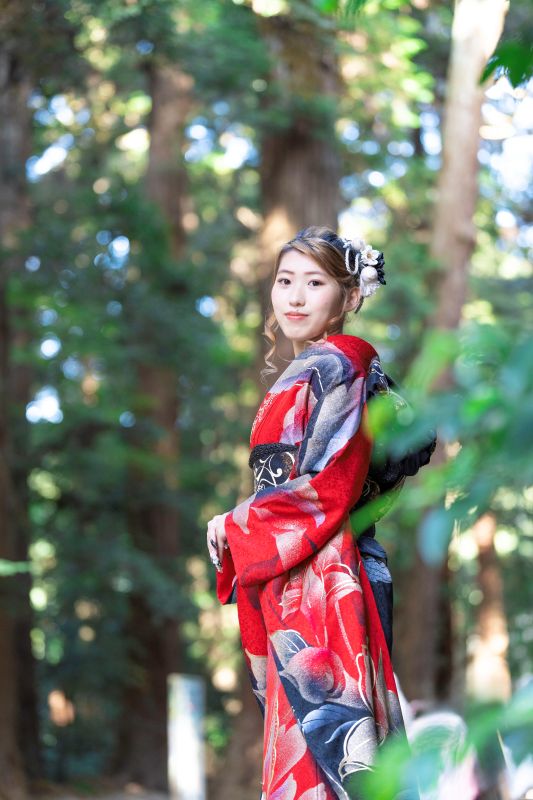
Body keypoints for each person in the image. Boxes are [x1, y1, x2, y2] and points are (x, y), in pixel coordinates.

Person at [206, 226, 435, 800]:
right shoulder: (331, 368)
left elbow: (330, 486)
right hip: (317, 569)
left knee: (328, 757)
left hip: (324, 577)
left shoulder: (340, 363)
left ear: (349, 296)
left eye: (315, 283)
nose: (295, 297)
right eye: (285, 281)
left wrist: (236, 522)